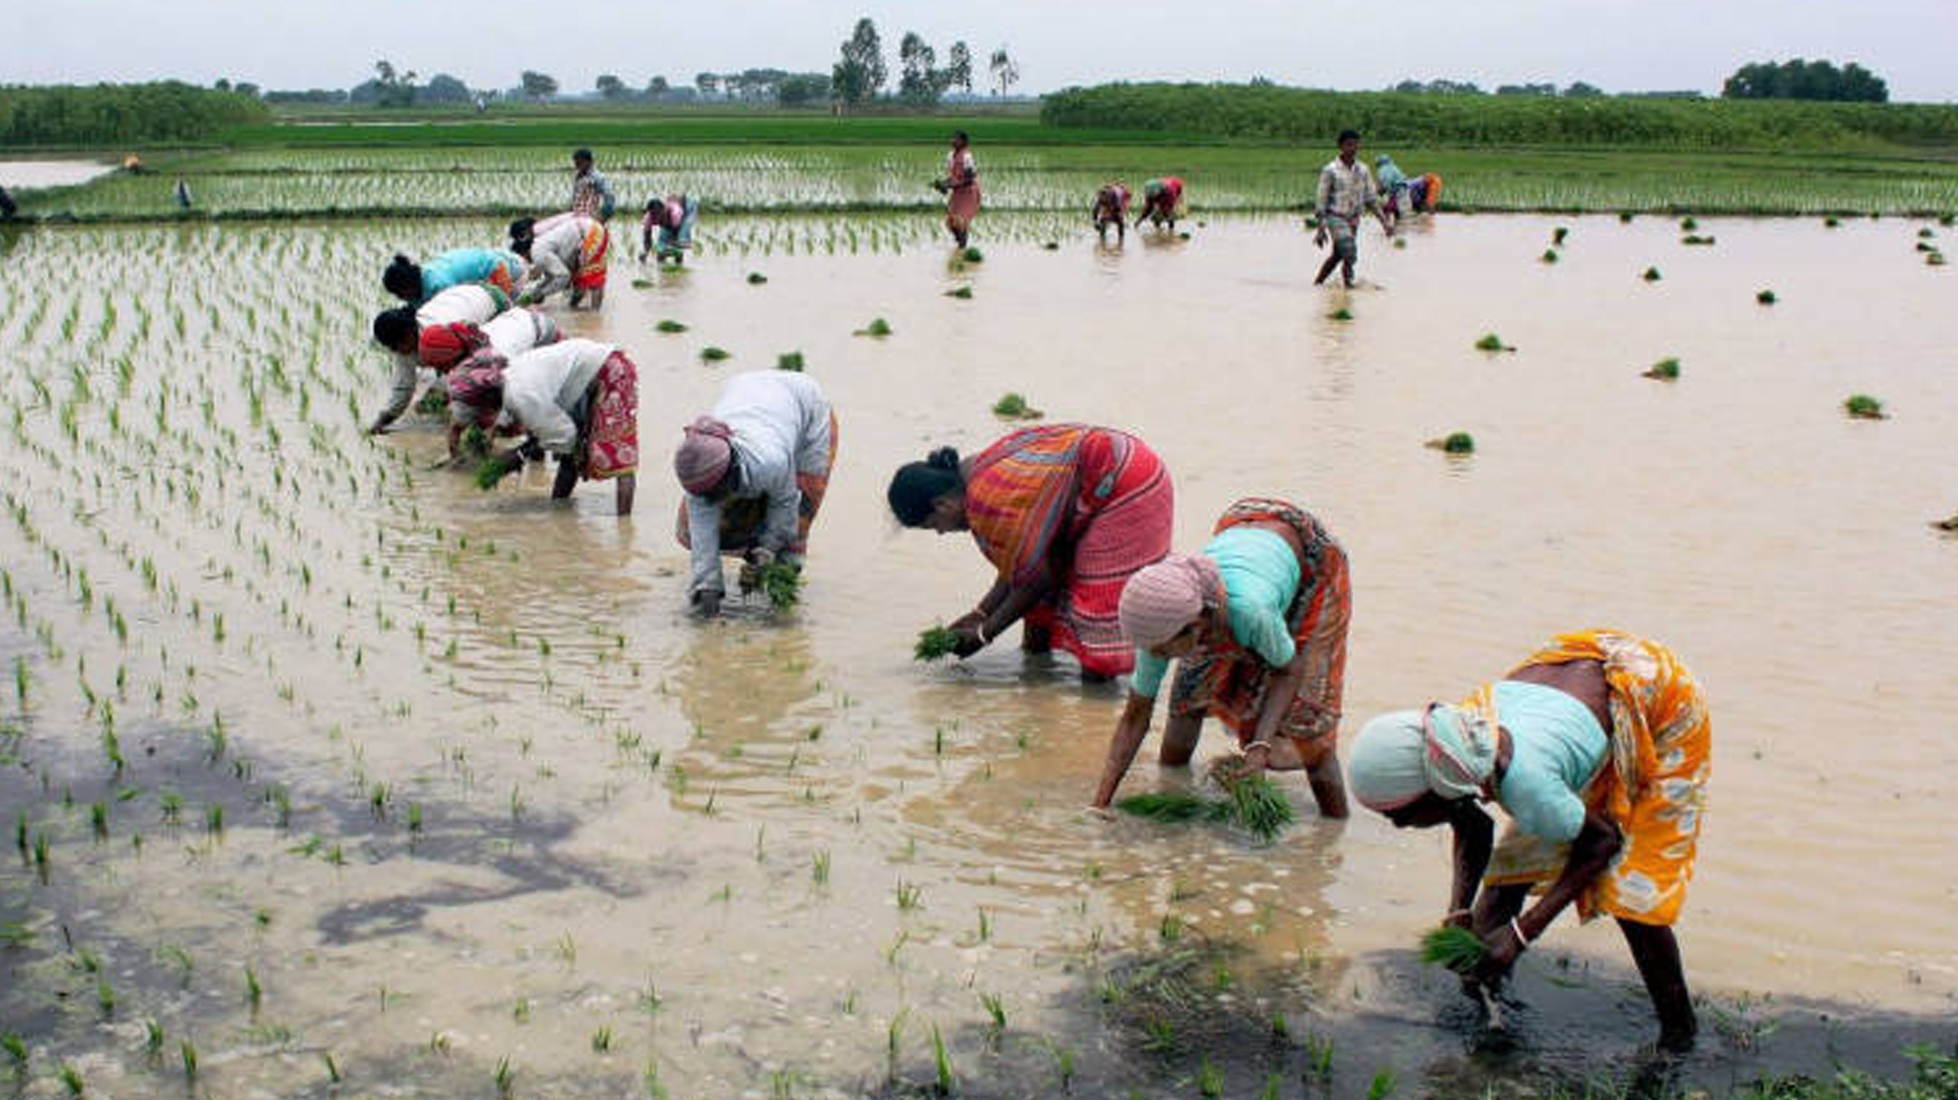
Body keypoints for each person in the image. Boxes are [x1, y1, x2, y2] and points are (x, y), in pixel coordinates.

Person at [1346, 630, 1711, 1054]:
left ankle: (1679, 1034)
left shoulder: (1521, 780)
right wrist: (1459, 912)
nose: (1398, 826)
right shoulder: (1454, 742)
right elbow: (1475, 827)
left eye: (1399, 815)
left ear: (1433, 789)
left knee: (1632, 895)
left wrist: (1522, 933)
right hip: (1572, 679)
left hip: (1661, 698)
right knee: (1509, 873)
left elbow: (1601, 842)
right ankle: (1487, 1010)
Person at [1093, 498, 1352, 816]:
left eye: (1162, 650)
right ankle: (1173, 788)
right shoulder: (1158, 624)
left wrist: (1260, 746)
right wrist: (1101, 803)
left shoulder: (1249, 611)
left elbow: (1289, 670)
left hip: (1310, 560)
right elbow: (1135, 717)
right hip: (1241, 528)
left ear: (1195, 625)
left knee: (1308, 728)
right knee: (1187, 701)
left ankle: (1334, 827)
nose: (1156, 657)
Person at [887, 425, 1174, 680]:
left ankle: (1097, 700)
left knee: (1096, 615)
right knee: (1037, 600)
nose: (941, 532)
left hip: (1125, 487)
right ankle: (1037, 679)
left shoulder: (983, 500)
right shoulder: (977, 471)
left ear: (942, 505)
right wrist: (981, 613)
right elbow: (1022, 560)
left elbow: (1037, 579)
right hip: (1117, 468)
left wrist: (984, 635)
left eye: (934, 525)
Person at [672, 371, 838, 617]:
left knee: (802, 510)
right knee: (695, 525)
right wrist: (707, 588)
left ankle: (782, 597)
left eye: (715, 493)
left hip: (806, 407)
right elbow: (702, 536)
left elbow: (786, 506)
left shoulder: (769, 462)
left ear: (730, 473)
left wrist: (767, 551)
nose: (710, 501)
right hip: (748, 391)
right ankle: (753, 563)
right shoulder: (698, 463)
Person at [449, 337, 639, 515]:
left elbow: (565, 437)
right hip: (581, 377)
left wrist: (521, 454)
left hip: (611, 369)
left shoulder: (521, 397)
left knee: (615, 455)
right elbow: (560, 438)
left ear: (488, 402)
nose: (483, 417)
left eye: (480, 411)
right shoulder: (505, 383)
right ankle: (559, 510)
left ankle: (624, 530)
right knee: (571, 454)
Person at [366, 283, 509, 434]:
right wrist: (383, 420)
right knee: (428, 405)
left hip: (492, 301)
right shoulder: (405, 347)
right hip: (463, 297)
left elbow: (476, 363)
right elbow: (404, 387)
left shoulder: (440, 332)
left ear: (408, 335)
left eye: (395, 347)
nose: (395, 352)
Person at [1314, 130, 1393, 288]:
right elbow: (1321, 199)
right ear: (1340, 146)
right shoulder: (1330, 170)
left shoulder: (1363, 170)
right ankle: (1349, 285)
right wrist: (1321, 228)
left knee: (1338, 255)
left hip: (1353, 218)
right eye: (1349, 144)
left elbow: (1371, 198)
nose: (1353, 148)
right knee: (1349, 250)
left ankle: (1320, 284)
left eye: (1356, 144)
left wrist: (1385, 223)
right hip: (1335, 216)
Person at [510, 213, 609, 309]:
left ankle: (593, 316)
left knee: (591, 278)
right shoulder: (539, 243)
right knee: (581, 278)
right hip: (589, 229)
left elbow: (563, 277)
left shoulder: (537, 253)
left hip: (590, 233)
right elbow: (551, 276)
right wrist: (537, 290)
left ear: (523, 254)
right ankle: (580, 313)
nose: (523, 263)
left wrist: (538, 294)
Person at [382, 248, 527, 305]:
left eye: (399, 292)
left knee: (501, 313)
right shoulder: (415, 291)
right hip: (491, 257)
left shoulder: (439, 285)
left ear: (409, 284)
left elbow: (461, 310)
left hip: (496, 270)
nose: (399, 297)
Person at [938, 130, 981, 249]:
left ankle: (962, 248)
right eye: (952, 138)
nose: (952, 141)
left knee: (961, 221)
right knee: (951, 220)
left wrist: (950, 185)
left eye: (956, 139)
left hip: (969, 191)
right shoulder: (950, 155)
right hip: (958, 191)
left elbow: (969, 179)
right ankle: (960, 243)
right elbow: (952, 176)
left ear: (963, 142)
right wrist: (942, 184)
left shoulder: (967, 156)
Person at [641, 194, 700, 264]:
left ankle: (678, 265)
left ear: (663, 211)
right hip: (672, 212)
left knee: (681, 239)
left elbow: (675, 231)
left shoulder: (675, 213)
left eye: (659, 215)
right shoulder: (648, 219)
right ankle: (662, 268)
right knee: (661, 249)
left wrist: (673, 246)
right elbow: (647, 237)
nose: (657, 218)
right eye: (655, 216)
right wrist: (646, 252)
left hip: (688, 208)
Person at [569, 148, 616, 222]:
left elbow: (609, 197)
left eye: (579, 163)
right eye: (576, 163)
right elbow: (575, 199)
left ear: (588, 162)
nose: (577, 166)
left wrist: (603, 216)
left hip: (589, 219)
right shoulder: (578, 177)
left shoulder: (597, 177)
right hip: (577, 219)